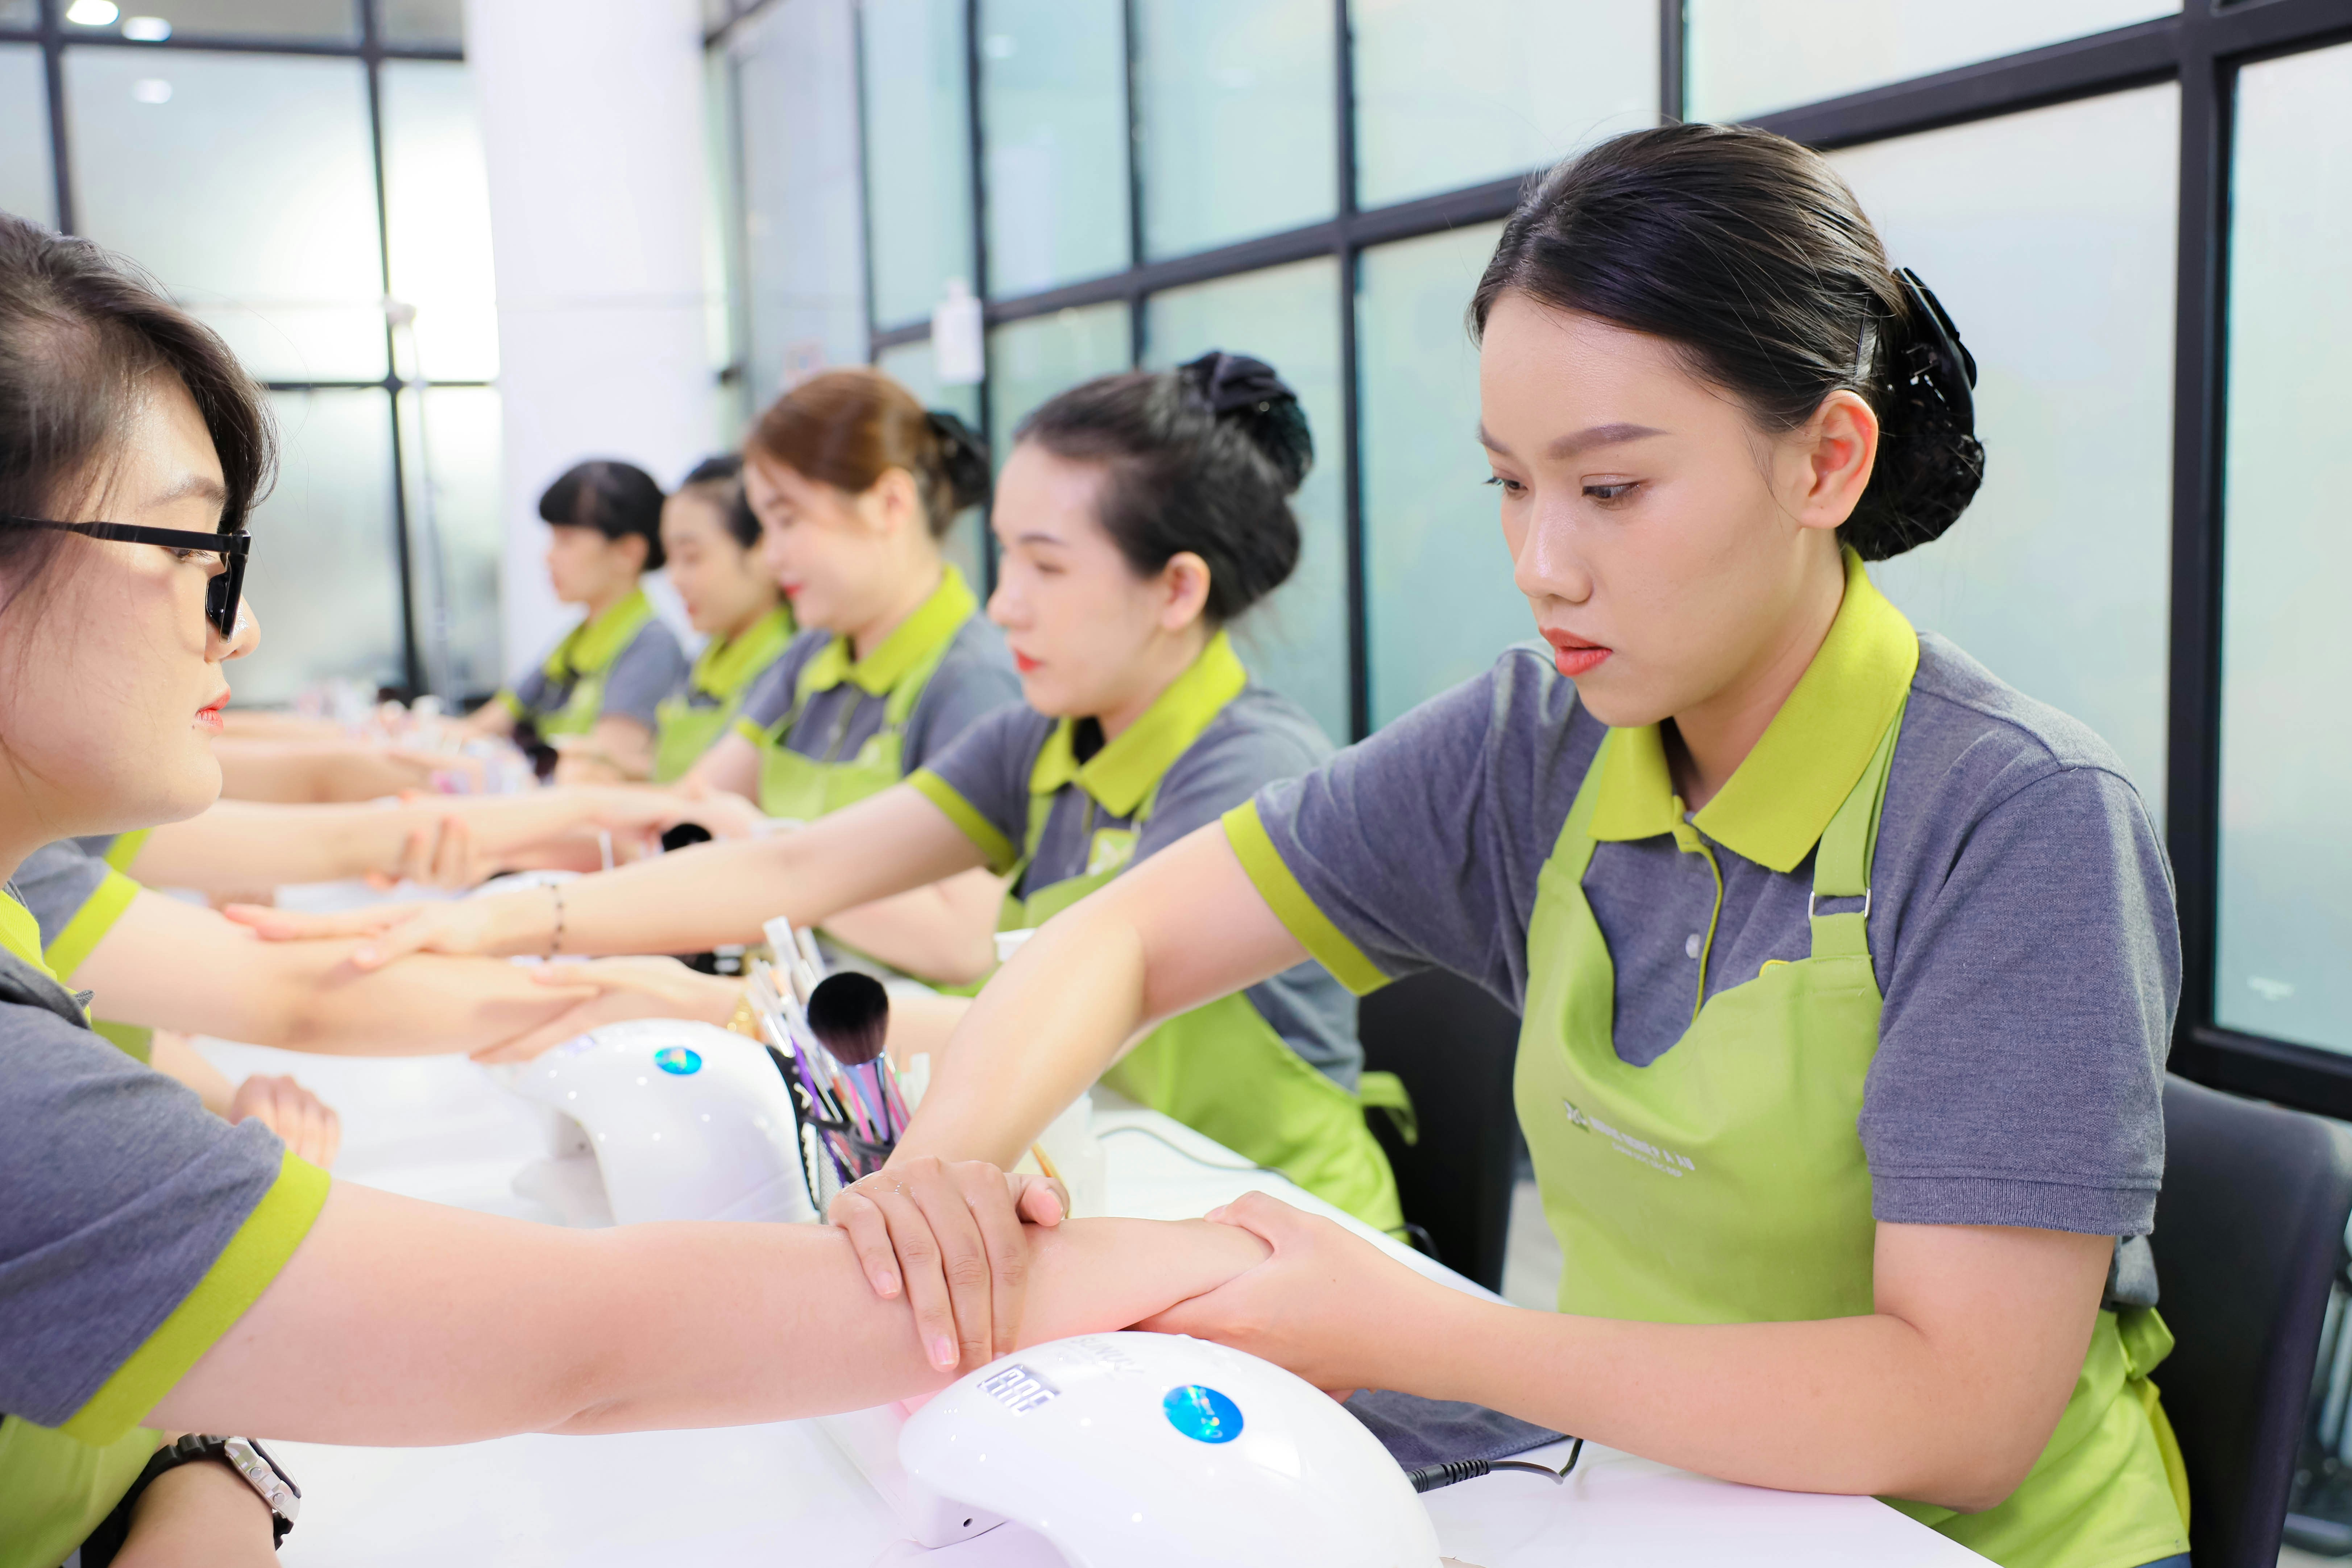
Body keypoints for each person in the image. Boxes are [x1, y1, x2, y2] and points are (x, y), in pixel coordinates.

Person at [834, 126, 2195, 1568]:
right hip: (1658, 1499)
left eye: (1607, 489)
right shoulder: (1530, 746)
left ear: (1824, 461)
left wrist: (1425, 1332)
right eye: (1507, 483)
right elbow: (1123, 933)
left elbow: (1958, 1410)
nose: (1539, 564)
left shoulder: (2015, 816)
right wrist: (944, 1173)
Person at [0, 212, 1263, 1568]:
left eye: (1045, 566)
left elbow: (842, 889)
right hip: (973, 1114)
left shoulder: (1187, 747)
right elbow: (757, 863)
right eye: (188, 548)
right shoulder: (922, 700)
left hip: (1127, 1143)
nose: (238, 623)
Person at [229, 356, 1406, 1236]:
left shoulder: (1246, 766)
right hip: (1092, 1185)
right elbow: (790, 865)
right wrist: (504, 918)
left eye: (1045, 566)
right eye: (1005, 558)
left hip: (1270, 1219)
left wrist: (732, 1009)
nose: (1004, 602)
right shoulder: (1039, 736)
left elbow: (1065, 1018)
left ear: (1175, 590)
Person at [464, 459, 689, 782]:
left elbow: (600, 771)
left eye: (566, 540)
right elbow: (483, 726)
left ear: (629, 552)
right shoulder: (573, 643)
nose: (548, 556)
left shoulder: (652, 646)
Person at [647, 454, 795, 783]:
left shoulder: (789, 662)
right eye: (670, 558)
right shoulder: (704, 658)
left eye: (691, 558)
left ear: (762, 549)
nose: (674, 579)